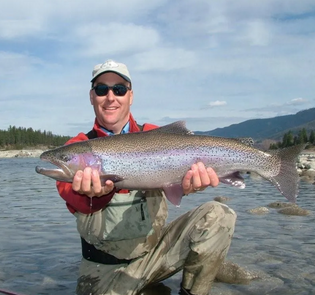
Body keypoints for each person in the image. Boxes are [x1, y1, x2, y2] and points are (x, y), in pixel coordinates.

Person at [56, 59, 236, 295]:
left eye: (119, 89)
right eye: (102, 89)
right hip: (103, 271)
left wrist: (187, 186)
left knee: (219, 215)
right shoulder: (78, 147)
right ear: (92, 97)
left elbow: (178, 182)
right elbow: (70, 195)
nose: (110, 97)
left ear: (130, 96)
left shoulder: (154, 135)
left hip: (157, 256)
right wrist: (94, 195)